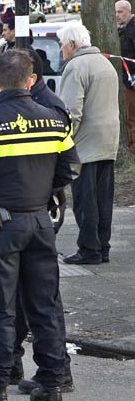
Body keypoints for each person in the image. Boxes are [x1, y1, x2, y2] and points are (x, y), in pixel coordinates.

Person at [0, 49, 79, 401]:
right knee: (43, 306)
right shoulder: (54, 119)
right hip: (40, 223)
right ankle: (50, 386)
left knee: (0, 310)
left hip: (1, 227)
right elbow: (70, 168)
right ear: (30, 80)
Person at [58, 22, 120, 264]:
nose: (61, 49)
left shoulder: (76, 66)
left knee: (85, 200)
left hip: (85, 142)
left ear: (72, 44)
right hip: (108, 139)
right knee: (104, 199)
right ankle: (102, 246)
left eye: (62, 44)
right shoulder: (105, 63)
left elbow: (71, 110)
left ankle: (89, 249)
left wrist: (63, 142)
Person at [116, 0, 135, 151]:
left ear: (129, 12)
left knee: (131, 118)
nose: (117, 15)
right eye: (115, 12)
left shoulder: (132, 30)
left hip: (131, 81)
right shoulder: (122, 29)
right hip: (127, 79)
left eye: (120, 12)